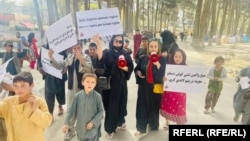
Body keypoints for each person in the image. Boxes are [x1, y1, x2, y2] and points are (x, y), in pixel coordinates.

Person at [48, 41, 93, 141]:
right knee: (70, 110)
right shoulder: (69, 57)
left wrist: (80, 58)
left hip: (83, 89)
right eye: (74, 48)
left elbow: (89, 69)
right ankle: (70, 131)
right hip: (71, 89)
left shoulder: (86, 57)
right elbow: (60, 66)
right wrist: (51, 57)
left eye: (78, 48)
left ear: (81, 48)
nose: (76, 50)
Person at [96, 34, 134, 138]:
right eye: (116, 41)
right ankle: (109, 128)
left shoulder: (125, 54)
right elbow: (100, 58)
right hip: (110, 86)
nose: (117, 43)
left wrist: (124, 67)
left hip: (121, 85)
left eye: (120, 42)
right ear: (112, 41)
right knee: (110, 107)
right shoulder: (107, 52)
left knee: (121, 103)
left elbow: (130, 67)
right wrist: (98, 42)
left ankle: (120, 121)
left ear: (122, 43)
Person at [0, 71, 52, 141]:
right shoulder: (9, 102)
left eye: (23, 86)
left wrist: (35, 111)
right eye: (16, 86)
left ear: (32, 86)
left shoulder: (39, 101)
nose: (19, 89)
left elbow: (46, 123)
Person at [134, 38, 167, 136]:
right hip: (144, 87)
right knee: (142, 106)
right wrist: (138, 72)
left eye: (155, 46)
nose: (153, 48)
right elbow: (137, 68)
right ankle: (141, 128)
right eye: (151, 46)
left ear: (158, 48)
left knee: (154, 107)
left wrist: (158, 64)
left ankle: (153, 124)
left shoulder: (163, 59)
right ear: (148, 48)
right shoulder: (143, 57)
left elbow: (164, 74)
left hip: (156, 87)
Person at [63, 73, 104, 141]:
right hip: (81, 128)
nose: (90, 84)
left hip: (92, 129)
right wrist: (66, 123)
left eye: (92, 82)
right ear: (82, 82)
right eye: (87, 81)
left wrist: (93, 122)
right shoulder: (78, 96)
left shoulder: (97, 97)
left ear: (95, 84)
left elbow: (101, 111)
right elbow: (71, 110)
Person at [37, 43, 67, 116]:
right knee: (49, 94)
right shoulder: (44, 47)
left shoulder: (62, 47)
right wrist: (39, 68)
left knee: (60, 92)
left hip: (59, 74)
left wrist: (65, 68)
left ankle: (60, 106)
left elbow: (66, 59)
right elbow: (39, 59)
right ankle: (50, 113)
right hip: (48, 75)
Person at [160, 49, 187, 130]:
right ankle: (167, 122)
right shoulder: (168, 67)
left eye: (180, 56)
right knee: (168, 106)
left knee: (180, 109)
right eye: (176, 56)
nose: (178, 58)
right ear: (172, 57)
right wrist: (163, 78)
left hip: (180, 94)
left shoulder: (186, 68)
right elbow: (164, 78)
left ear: (183, 58)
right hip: (169, 92)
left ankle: (180, 122)